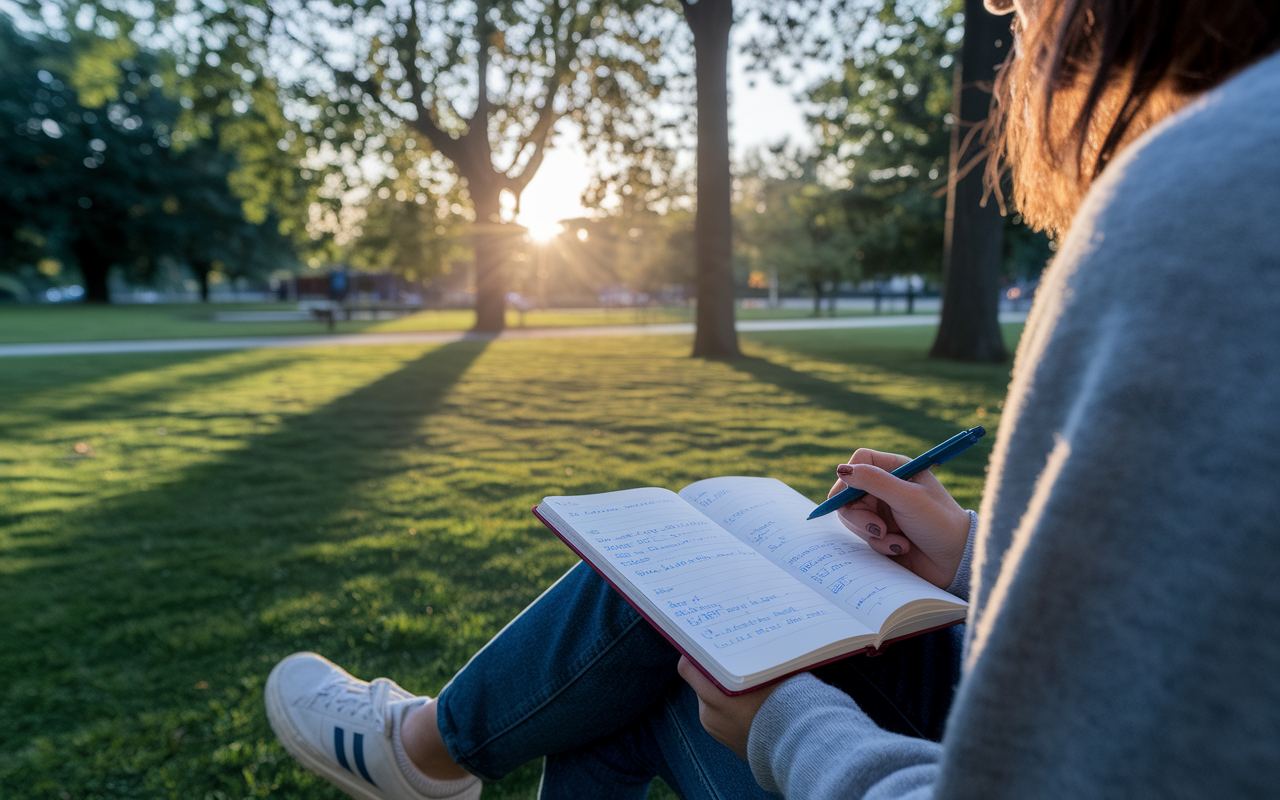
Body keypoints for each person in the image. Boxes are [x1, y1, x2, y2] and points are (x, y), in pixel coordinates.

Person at [263, 0, 1280, 797]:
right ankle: (427, 747)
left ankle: (424, 748)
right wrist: (972, 554)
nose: (1000, 0)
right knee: (678, 598)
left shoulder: (1205, 192)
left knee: (657, 661)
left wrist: (790, 725)